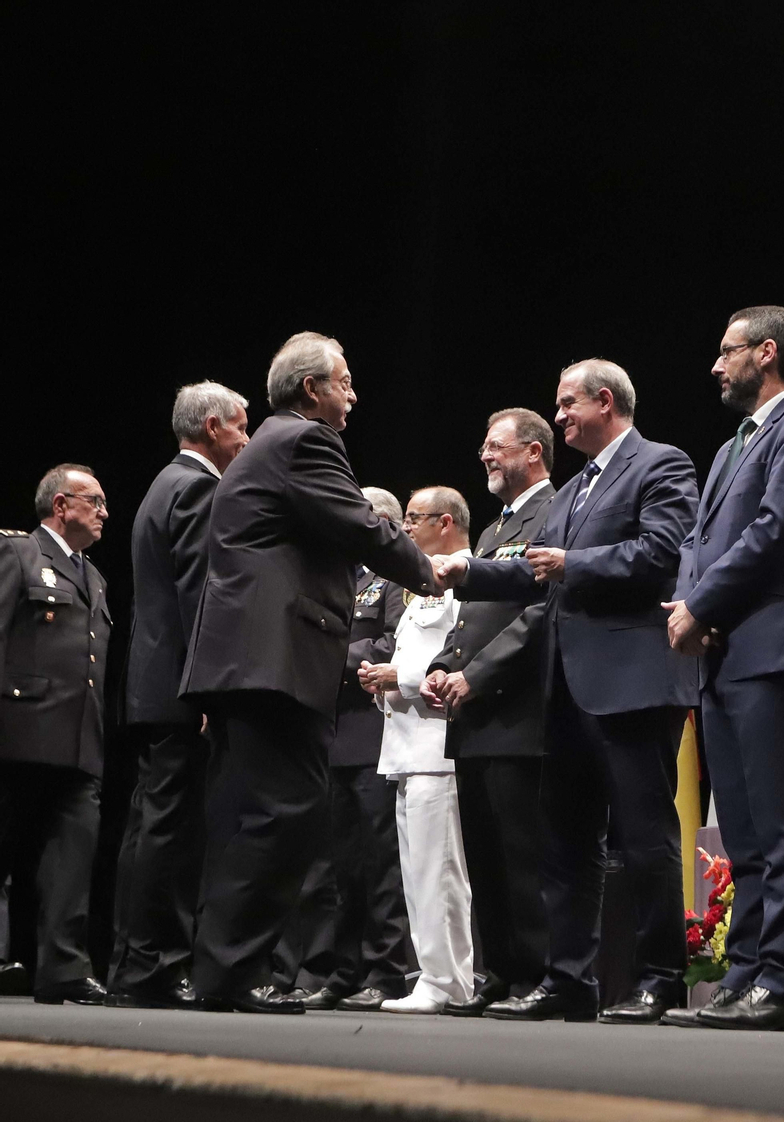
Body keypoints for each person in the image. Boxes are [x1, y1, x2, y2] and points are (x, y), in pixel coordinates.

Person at [180, 331, 439, 1014]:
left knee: (245, 817)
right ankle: (232, 973)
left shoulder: (264, 445)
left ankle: (221, 974)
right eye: (344, 382)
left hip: (245, 660)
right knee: (280, 816)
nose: (352, 396)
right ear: (310, 390)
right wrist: (426, 569)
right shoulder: (304, 441)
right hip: (275, 662)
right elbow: (360, 524)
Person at [435, 359, 698, 1024]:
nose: (558, 418)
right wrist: (461, 571)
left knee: (643, 838)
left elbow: (663, 552)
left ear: (604, 402)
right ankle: (569, 980)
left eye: (567, 404)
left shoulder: (661, 464)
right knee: (567, 845)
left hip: (633, 684)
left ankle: (659, 977)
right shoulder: (577, 488)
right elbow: (530, 576)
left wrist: (573, 564)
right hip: (567, 692)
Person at [662, 306, 784, 1030]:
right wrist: (688, 601)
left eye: (726, 350)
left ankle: (781, 977)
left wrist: (699, 605)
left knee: (778, 820)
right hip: (726, 655)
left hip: (775, 648)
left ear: (766, 353)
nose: (716, 364)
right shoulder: (735, 443)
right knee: (737, 827)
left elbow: (773, 531)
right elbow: (702, 542)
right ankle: (742, 973)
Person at [109, 382, 250, 1010]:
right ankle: (157, 967)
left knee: (147, 826)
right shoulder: (198, 487)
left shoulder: (161, 484)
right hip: (180, 689)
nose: (247, 441)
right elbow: (202, 596)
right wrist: (204, 690)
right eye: (243, 427)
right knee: (171, 829)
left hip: (152, 685)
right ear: (214, 427)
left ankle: (134, 964)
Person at [422, 408, 558, 1016]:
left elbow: (538, 615)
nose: (485, 455)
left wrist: (474, 677)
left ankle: (535, 972)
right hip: (473, 716)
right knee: (484, 852)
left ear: (533, 453)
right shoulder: (494, 529)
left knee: (521, 852)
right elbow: (471, 617)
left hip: (518, 712)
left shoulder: (554, 511)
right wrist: (441, 667)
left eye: (495, 446)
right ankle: (497, 970)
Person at [284, 486, 412, 1012]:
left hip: (376, 734)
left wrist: (327, 651)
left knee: (380, 863)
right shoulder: (341, 577)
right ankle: (345, 968)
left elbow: (393, 643)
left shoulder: (397, 579)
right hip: (333, 738)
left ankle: (387, 971)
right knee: (340, 866)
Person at [358, 487, 477, 1014]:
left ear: (446, 523)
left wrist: (396, 676)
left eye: (415, 518)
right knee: (417, 868)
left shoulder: (464, 581)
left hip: (436, 745)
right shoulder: (421, 585)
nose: (405, 528)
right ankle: (440, 976)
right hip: (406, 747)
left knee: (440, 869)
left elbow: (451, 659)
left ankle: (447, 981)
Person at [0, 466, 112, 1005]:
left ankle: (63, 968)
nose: (104, 512)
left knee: (72, 860)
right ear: (62, 505)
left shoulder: (93, 577)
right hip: (18, 734)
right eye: (96, 501)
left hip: (78, 741)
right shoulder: (17, 554)